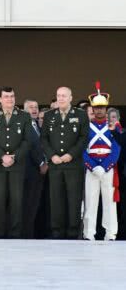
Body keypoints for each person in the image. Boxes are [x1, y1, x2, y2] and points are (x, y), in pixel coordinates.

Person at [41, 86, 89, 239]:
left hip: (73, 165)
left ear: (70, 98)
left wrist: (71, 154)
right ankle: (57, 232)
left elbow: (83, 138)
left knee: (74, 200)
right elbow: (44, 138)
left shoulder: (80, 115)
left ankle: (73, 232)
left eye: (64, 96)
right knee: (56, 200)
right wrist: (51, 155)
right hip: (55, 165)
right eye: (58, 96)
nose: (60, 98)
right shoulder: (49, 116)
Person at [0, 87, 32, 238]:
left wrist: (14, 157)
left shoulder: (24, 116)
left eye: (12, 96)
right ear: (0, 99)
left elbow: (27, 141)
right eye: (6, 97)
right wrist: (2, 156)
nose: (10, 99)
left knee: (16, 201)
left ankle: (15, 233)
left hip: (17, 164)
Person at [83, 83, 121, 241]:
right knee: (90, 202)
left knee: (109, 203)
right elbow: (82, 149)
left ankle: (111, 233)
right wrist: (92, 166)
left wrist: (105, 166)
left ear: (106, 109)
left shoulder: (113, 127)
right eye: (96, 107)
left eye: (101, 107)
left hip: (108, 168)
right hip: (91, 169)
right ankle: (89, 233)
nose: (99, 110)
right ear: (92, 108)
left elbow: (117, 149)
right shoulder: (85, 127)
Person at [22, 99, 47, 238]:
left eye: (36, 107)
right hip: (28, 171)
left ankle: (31, 233)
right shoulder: (24, 125)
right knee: (27, 204)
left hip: (39, 172)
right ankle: (25, 234)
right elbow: (30, 147)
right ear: (24, 110)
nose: (34, 109)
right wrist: (41, 163)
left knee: (35, 205)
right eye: (30, 107)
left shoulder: (39, 126)